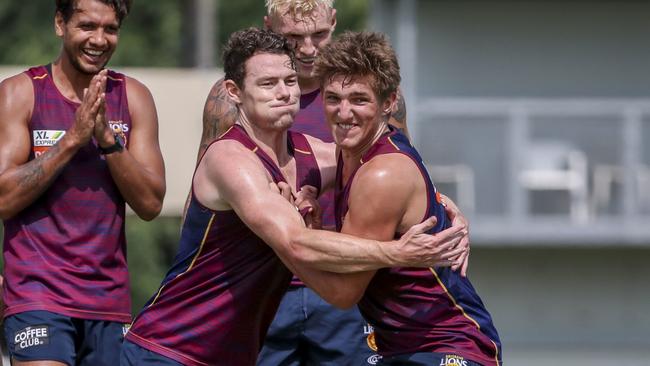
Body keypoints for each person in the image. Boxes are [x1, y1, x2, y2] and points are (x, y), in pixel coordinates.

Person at [121, 27, 468, 366]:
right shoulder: (231, 159)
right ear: (234, 91)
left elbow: (394, 176)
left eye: (289, 81)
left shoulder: (315, 155)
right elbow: (296, 243)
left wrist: (444, 208)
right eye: (267, 84)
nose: (284, 93)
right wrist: (397, 252)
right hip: (168, 349)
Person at [311, 31, 502, 365]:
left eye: (359, 99)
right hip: (403, 348)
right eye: (333, 98)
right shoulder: (352, 153)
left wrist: (287, 240)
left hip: (447, 347)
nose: (343, 113)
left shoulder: (382, 174)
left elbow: (343, 291)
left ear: (388, 102)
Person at [0, 0, 166, 365]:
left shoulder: (133, 97)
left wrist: (108, 140)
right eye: (87, 26)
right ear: (60, 24)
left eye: (110, 29)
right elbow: (4, 198)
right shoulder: (21, 92)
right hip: (37, 294)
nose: (99, 39)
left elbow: (151, 204)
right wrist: (73, 139)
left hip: (108, 301)